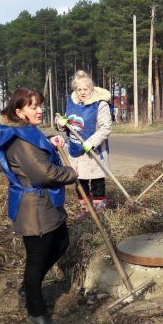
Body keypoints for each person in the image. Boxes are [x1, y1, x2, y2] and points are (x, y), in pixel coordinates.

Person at [0, 88, 78, 324]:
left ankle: (28, 288)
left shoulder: (25, 131)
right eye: (34, 106)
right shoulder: (18, 140)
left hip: (46, 204)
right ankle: (35, 311)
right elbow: (44, 172)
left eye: (40, 105)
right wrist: (71, 174)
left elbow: (38, 147)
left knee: (61, 243)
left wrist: (51, 139)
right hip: (34, 208)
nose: (40, 110)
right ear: (19, 112)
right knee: (36, 259)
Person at [57, 70, 112, 218]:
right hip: (75, 150)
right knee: (79, 181)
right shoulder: (72, 103)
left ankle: (99, 211)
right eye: (78, 89)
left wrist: (91, 142)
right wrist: (62, 124)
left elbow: (105, 128)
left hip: (94, 151)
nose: (82, 92)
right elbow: (68, 122)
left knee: (97, 181)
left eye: (85, 89)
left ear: (91, 88)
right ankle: (86, 211)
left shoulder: (100, 104)